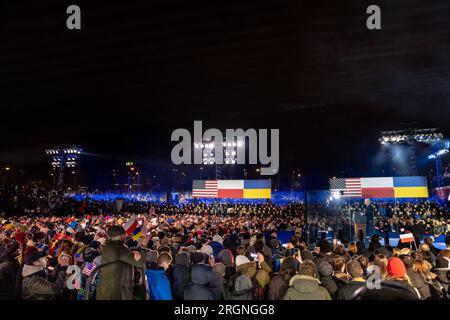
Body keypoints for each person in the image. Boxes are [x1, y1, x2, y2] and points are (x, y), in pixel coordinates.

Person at [96, 225, 147, 300]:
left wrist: (131, 254)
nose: (126, 235)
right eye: (124, 234)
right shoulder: (120, 249)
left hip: (105, 290)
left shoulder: (108, 245)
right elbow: (140, 263)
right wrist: (143, 246)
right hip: (114, 292)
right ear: (121, 236)